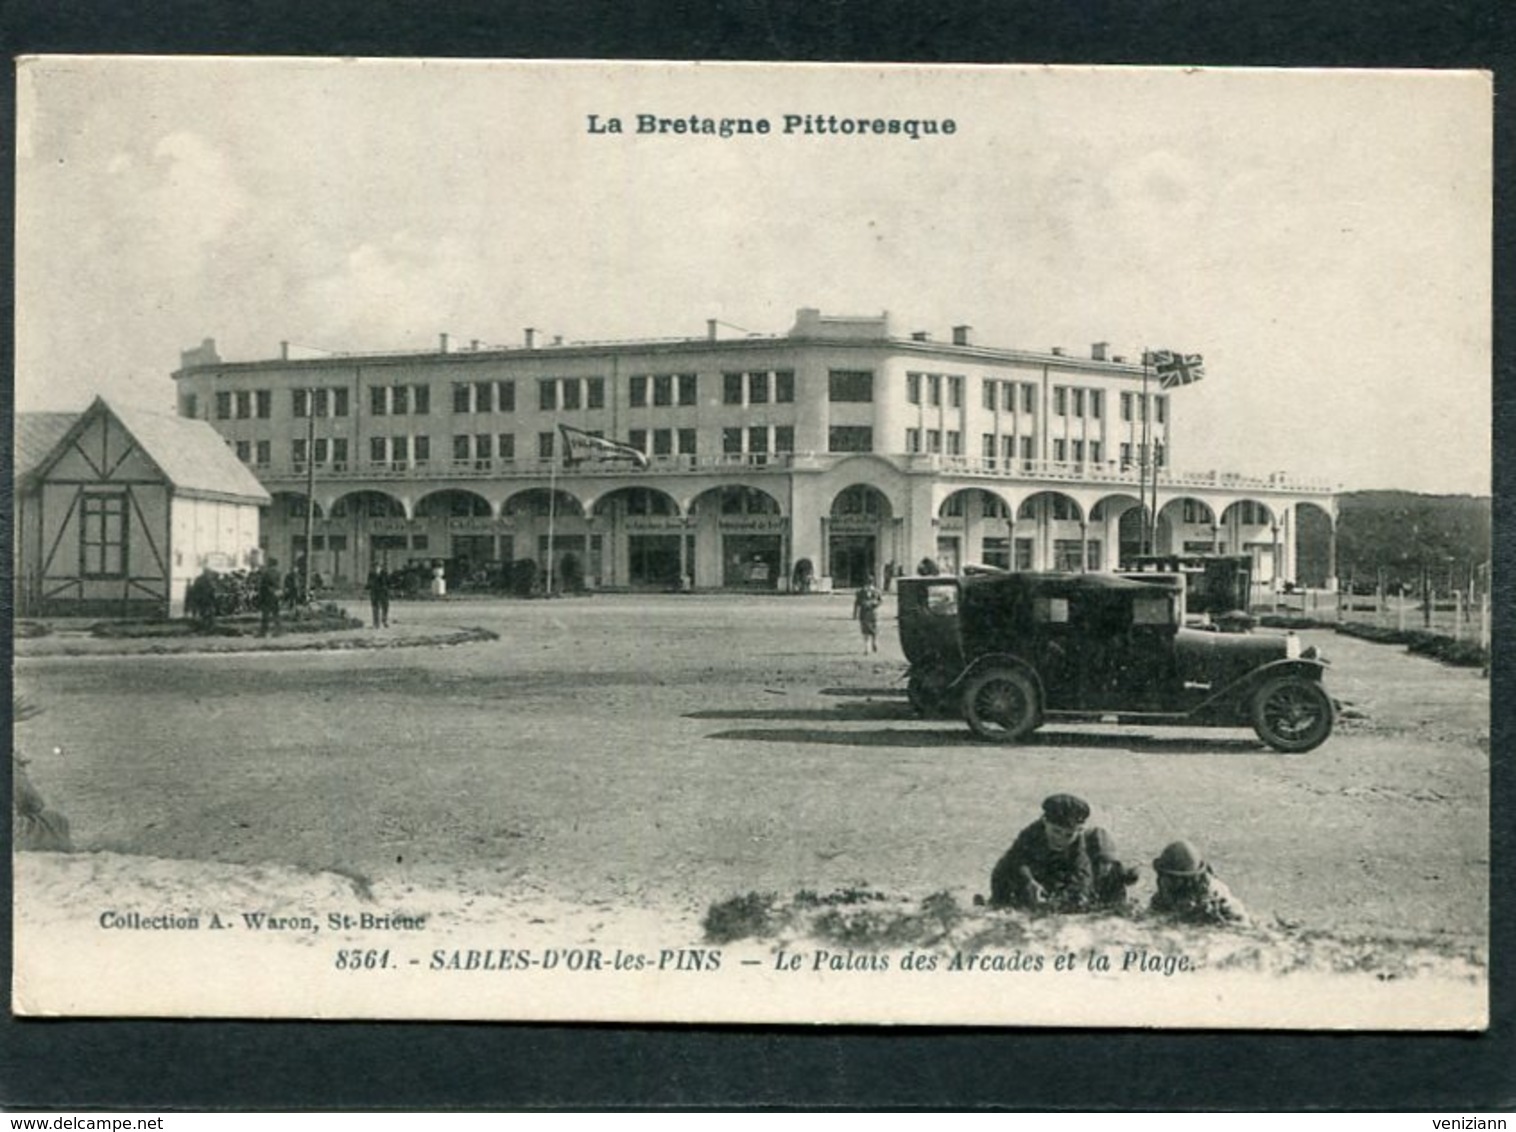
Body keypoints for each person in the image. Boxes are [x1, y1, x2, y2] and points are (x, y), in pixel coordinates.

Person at [988, 793, 1138, 911]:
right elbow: (1012, 862)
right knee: (1005, 868)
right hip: (1047, 873)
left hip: (1074, 873)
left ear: (1079, 831)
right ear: (1045, 822)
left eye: (1068, 835)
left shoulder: (1082, 844)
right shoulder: (1032, 833)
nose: (1060, 839)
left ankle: (1113, 908)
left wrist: (1072, 900)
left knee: (1108, 867)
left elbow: (1082, 875)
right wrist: (1027, 882)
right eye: (1055, 831)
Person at [1149, 840, 1250, 926]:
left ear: (1188, 881)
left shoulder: (1217, 898)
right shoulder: (1165, 895)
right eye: (1163, 875)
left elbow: (1241, 926)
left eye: (1171, 879)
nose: (1164, 882)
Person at [853, 577, 884, 653]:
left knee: (874, 629)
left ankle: (874, 642)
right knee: (865, 631)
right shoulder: (860, 592)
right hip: (864, 613)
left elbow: (880, 601)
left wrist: (874, 603)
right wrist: (855, 614)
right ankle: (866, 647)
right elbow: (857, 603)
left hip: (872, 613)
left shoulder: (876, 592)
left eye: (870, 583)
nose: (868, 586)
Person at [255, 559, 283, 637]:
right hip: (275, 595)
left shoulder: (267, 573)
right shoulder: (278, 573)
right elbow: (277, 584)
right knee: (276, 614)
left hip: (267, 596)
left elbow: (264, 585)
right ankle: (278, 631)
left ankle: (263, 632)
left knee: (265, 615)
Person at [366, 564, 392, 629]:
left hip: (383, 593)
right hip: (374, 594)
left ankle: (384, 620)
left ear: (380, 567)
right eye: (374, 567)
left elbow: (388, 582)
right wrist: (368, 586)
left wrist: (386, 587)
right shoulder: (371, 574)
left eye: (377, 567)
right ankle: (376, 623)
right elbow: (369, 583)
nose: (375, 569)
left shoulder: (384, 573)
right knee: (375, 609)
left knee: (385, 608)